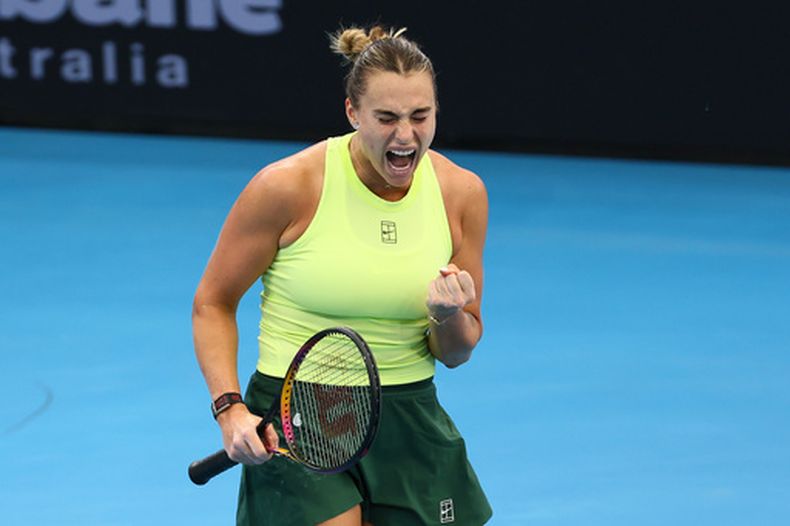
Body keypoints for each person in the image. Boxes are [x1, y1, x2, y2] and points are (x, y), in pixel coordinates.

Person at [192, 24, 492, 526]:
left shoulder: (461, 194)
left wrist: (447, 315)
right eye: (386, 118)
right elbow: (213, 303)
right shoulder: (287, 187)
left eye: (420, 116)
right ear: (352, 112)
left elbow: (456, 353)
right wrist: (230, 410)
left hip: (409, 414)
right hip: (298, 415)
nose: (405, 135)